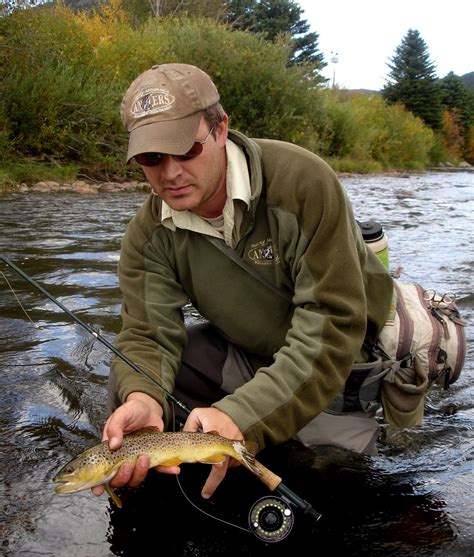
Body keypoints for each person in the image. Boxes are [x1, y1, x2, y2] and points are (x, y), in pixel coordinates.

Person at [92, 63, 393, 502]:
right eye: (152, 158)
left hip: (343, 358)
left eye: (186, 150)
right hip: (250, 351)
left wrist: (244, 415)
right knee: (128, 389)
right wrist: (144, 398)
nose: (170, 172)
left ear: (220, 129)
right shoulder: (148, 234)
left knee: (340, 479)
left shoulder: (303, 183)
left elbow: (331, 324)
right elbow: (148, 334)